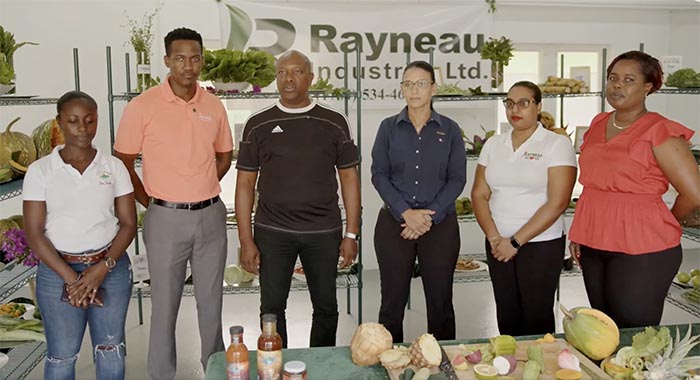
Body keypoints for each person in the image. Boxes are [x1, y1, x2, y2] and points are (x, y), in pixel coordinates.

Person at [114, 27, 233, 378]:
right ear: (167, 61)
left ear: (202, 60)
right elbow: (122, 159)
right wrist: (149, 200)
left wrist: (202, 185)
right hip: (164, 217)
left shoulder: (213, 104)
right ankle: (161, 374)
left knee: (212, 305)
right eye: (179, 58)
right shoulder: (143, 106)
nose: (188, 66)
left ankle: (215, 369)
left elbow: (224, 156)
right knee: (164, 307)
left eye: (195, 58)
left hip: (211, 215)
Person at [236, 50, 361, 348]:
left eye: (296, 71)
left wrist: (351, 233)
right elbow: (244, 185)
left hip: (323, 232)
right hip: (272, 232)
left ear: (311, 77)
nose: (288, 78)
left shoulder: (334, 121)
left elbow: (349, 179)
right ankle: (274, 365)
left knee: (327, 308)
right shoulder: (258, 123)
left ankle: (321, 364)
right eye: (282, 72)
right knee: (272, 310)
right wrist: (246, 239)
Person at [569, 51, 700, 328]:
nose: (617, 85)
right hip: (593, 239)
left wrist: (666, 222)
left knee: (633, 331)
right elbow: (594, 184)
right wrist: (580, 231)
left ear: (648, 87)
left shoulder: (660, 130)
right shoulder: (598, 123)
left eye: (629, 80)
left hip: (642, 247)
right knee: (602, 331)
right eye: (613, 78)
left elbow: (694, 194)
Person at [23, 91, 136, 379]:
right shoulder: (41, 171)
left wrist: (102, 268)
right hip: (57, 271)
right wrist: (73, 279)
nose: (83, 129)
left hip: (110, 267)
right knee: (61, 355)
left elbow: (128, 224)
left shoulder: (113, 167)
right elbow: (35, 234)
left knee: (110, 349)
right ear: (59, 122)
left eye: (89, 120)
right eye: (73, 121)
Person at [472, 81, 577, 336]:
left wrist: (515, 242)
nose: (514, 109)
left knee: (536, 315)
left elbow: (558, 202)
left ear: (538, 106)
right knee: (506, 312)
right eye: (509, 103)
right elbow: (479, 193)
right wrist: (496, 238)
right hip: (497, 244)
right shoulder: (494, 144)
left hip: (540, 245)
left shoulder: (556, 144)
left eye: (523, 103)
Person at [371, 60, 466, 343]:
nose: (414, 90)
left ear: (433, 88)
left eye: (421, 83)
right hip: (394, 225)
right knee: (391, 304)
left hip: (440, 227)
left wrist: (427, 216)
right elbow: (379, 174)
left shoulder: (449, 130)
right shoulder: (388, 128)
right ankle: (390, 362)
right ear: (402, 89)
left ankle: (442, 362)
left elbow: (457, 179)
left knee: (440, 304)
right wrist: (405, 213)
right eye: (408, 84)